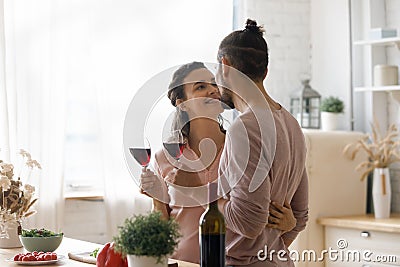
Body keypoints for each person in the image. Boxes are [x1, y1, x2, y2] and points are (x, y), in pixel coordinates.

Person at [139, 62, 296, 264]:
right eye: (200, 87)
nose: (213, 90)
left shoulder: (243, 149)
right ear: (182, 104)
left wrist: (288, 223)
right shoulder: (165, 157)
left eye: (214, 84)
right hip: (182, 262)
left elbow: (259, 211)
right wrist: (157, 200)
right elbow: (162, 229)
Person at [215, 19, 309, 266]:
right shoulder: (291, 123)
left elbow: (248, 223)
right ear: (264, 72)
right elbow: (298, 217)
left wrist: (212, 198)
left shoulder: (244, 128)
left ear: (225, 66)